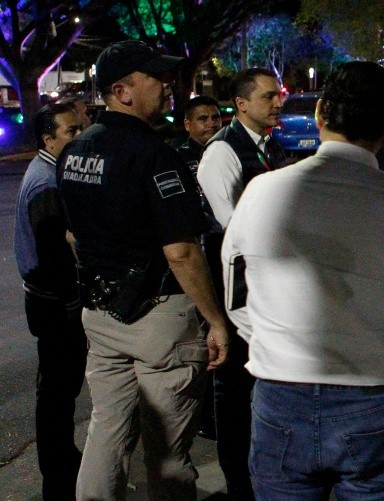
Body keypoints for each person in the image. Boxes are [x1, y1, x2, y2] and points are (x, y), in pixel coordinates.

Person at [220, 60, 384, 499]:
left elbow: (238, 296)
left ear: (320, 114)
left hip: (280, 393)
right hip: (375, 398)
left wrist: (278, 345)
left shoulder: (262, 193)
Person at [56, 40, 230, 500]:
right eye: (155, 77)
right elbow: (182, 252)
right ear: (123, 91)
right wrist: (215, 320)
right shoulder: (154, 154)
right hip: (158, 317)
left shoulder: (74, 152)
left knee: (106, 432)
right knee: (167, 453)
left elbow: (73, 235)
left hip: (101, 313)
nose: (166, 85)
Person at [197, 67, 287, 500]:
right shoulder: (222, 153)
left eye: (278, 95)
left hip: (266, 291)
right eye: (268, 96)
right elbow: (233, 228)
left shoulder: (272, 146)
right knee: (233, 393)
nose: (278, 103)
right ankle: (238, 485)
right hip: (235, 295)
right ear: (242, 104)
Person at [14, 103, 85, 500]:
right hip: (52, 303)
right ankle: (58, 479)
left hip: (49, 299)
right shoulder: (45, 182)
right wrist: (70, 301)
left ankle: (62, 465)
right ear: (48, 139)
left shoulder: (50, 172)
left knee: (59, 392)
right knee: (56, 395)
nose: (78, 137)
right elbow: (51, 249)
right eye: (71, 131)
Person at [176, 95, 222, 440]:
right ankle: (204, 412)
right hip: (197, 249)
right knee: (203, 334)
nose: (210, 124)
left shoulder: (227, 150)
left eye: (215, 118)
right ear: (188, 124)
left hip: (222, 248)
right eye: (203, 119)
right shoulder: (179, 158)